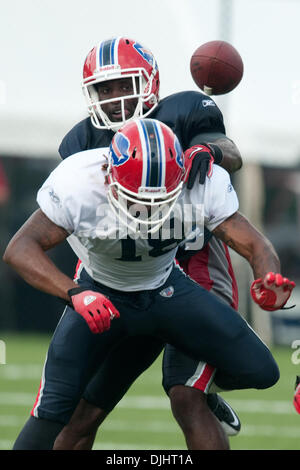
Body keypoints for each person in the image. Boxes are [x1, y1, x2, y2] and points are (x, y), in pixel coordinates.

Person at [4, 118, 294, 453]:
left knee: (262, 370)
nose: (147, 210)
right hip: (102, 296)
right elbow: (20, 249)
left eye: (159, 200)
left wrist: (267, 276)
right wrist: (76, 293)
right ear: (109, 177)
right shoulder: (80, 180)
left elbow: (256, 245)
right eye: (137, 199)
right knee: (53, 413)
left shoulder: (199, 182)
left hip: (166, 293)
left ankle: (207, 390)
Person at [54, 37, 244, 450]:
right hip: (122, 272)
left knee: (185, 395)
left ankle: (205, 386)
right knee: (79, 409)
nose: (117, 97)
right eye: (106, 89)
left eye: (126, 84)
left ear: (150, 82)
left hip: (192, 265)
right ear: (91, 95)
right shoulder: (78, 144)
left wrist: (207, 150)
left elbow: (230, 151)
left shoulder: (185, 110)